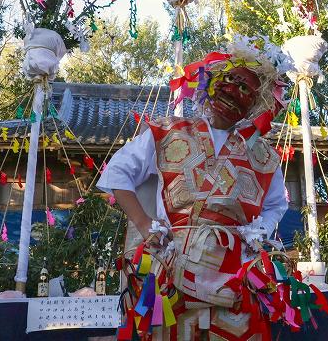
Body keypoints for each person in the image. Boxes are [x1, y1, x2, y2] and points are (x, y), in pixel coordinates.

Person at [98, 35, 292, 341]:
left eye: (246, 90)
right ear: (212, 83)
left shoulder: (264, 155)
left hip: (234, 268)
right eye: (229, 81)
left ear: (254, 104)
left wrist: (259, 233)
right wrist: (145, 224)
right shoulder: (168, 131)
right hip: (172, 261)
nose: (234, 93)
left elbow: (277, 204)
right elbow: (118, 173)